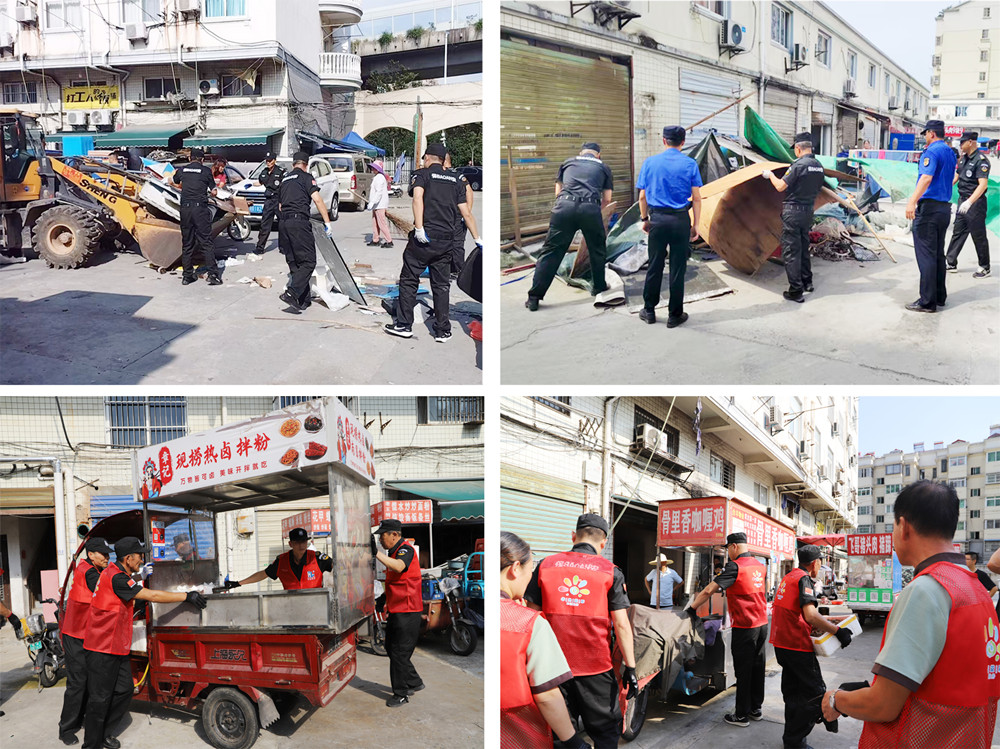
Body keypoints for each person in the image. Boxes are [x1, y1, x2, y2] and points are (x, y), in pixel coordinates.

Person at [821, 481, 1000, 748]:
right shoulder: (978, 591)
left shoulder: (926, 591)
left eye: (893, 525)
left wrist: (835, 700)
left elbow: (883, 705)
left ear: (903, 527)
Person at [523, 513, 638, 749]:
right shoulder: (611, 571)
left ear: (574, 536)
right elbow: (622, 625)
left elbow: (530, 616)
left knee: (561, 734)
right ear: (603, 543)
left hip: (551, 668)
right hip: (596, 668)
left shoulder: (545, 565)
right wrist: (631, 666)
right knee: (606, 732)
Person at [82, 537, 206, 749]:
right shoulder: (117, 577)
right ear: (128, 558)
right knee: (100, 699)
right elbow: (153, 595)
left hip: (115, 645)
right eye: (139, 556)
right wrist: (186, 596)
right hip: (101, 647)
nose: (142, 559)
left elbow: (135, 598)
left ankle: (104, 733)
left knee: (125, 690)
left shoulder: (118, 575)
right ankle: (92, 744)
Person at [499, 531, 589, 749]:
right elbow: (547, 695)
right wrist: (573, 741)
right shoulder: (529, 623)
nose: (530, 578)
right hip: (522, 738)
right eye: (530, 570)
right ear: (515, 569)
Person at [384, 143, 481, 342]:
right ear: (443, 159)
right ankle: (443, 330)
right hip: (446, 240)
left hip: (424, 239)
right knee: (441, 285)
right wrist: (478, 238)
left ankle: (404, 325)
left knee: (409, 279)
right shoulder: (456, 179)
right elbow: (466, 212)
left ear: (428, 158)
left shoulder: (422, 175)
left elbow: (417, 199)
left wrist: (419, 228)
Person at [770, 544, 853, 749]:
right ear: (816, 563)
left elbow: (797, 614)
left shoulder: (788, 577)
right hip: (796, 646)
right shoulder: (803, 579)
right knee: (816, 693)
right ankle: (797, 739)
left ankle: (791, 739)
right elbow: (810, 615)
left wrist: (815, 626)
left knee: (793, 693)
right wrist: (837, 631)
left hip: (782, 645)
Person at [687, 532, 768, 727]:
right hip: (762, 624)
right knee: (758, 668)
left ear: (733, 547)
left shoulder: (735, 566)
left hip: (745, 627)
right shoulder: (760, 566)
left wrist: (691, 609)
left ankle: (741, 715)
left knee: (743, 670)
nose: (728, 553)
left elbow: (708, 590)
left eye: (727, 549)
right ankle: (755, 709)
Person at [525, 142, 613, 312]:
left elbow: (558, 192)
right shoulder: (604, 167)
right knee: (597, 250)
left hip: (564, 207)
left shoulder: (568, 162)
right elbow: (608, 199)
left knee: (551, 251)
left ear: (581, 153)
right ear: (598, 155)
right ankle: (599, 287)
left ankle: (534, 298)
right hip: (590, 208)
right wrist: (593, 211)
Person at [636, 125, 703, 327]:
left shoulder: (650, 163)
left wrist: (645, 219)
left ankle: (649, 311)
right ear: (683, 142)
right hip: (680, 220)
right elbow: (697, 199)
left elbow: (642, 196)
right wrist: (696, 225)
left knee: (654, 265)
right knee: (677, 267)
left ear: (664, 141)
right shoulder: (690, 164)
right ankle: (675, 315)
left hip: (657, 220)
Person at [58, 537, 112, 745]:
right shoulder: (86, 570)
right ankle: (66, 728)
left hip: (89, 636)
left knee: (91, 682)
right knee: (77, 683)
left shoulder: (97, 569)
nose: (107, 557)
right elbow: (102, 587)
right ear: (90, 555)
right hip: (74, 636)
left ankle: (83, 719)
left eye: (108, 554)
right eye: (103, 554)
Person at [762, 132, 826, 303]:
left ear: (798, 149)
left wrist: (770, 176)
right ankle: (808, 282)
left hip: (793, 212)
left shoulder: (797, 165)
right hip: (808, 212)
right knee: (804, 246)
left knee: (791, 250)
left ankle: (795, 291)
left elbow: (780, 187)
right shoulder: (819, 166)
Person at [904, 120, 957, 313]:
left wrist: (912, 201)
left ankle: (927, 302)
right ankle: (939, 296)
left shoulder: (932, 152)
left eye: (926, 133)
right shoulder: (950, 152)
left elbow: (926, 177)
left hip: (929, 209)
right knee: (937, 254)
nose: (925, 136)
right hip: (944, 208)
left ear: (932, 133)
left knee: (926, 255)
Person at [371, 518, 424, 707]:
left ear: (394, 535)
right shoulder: (393, 552)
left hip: (408, 611)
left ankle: (401, 693)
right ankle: (414, 682)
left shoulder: (405, 550)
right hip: (397, 609)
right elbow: (397, 581)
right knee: (391, 648)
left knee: (400, 654)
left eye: (382, 536)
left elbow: (400, 567)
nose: (380, 540)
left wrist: (376, 553)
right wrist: (382, 600)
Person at [275, 151, 334, 312]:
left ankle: (303, 300)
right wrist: (327, 222)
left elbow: (280, 206)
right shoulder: (306, 177)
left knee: (295, 262)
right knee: (308, 262)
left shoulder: (285, 179)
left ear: (294, 163)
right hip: (298, 222)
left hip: (284, 223)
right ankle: (292, 293)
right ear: (306, 165)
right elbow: (317, 199)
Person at [170, 147, 222, 286]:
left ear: (189, 158)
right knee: (206, 242)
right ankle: (213, 275)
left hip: (185, 210)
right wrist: (211, 193)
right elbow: (215, 191)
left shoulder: (182, 170)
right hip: (200, 210)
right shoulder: (205, 171)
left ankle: (187, 276)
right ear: (202, 160)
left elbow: (175, 180)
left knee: (187, 243)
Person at [225, 527, 332, 590]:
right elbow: (263, 574)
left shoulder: (317, 558)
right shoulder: (282, 561)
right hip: (291, 608)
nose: (302, 545)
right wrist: (238, 583)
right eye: (298, 542)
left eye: (304, 541)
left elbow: (338, 568)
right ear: (290, 544)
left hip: (317, 607)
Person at [946, 131, 991, 278]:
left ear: (971, 142)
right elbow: (957, 177)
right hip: (962, 200)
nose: (960, 145)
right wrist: (945, 189)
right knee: (958, 231)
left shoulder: (981, 161)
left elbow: (982, 185)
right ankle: (951, 262)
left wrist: (970, 202)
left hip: (975, 203)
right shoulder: (962, 159)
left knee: (978, 235)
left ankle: (985, 267)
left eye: (962, 143)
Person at [444, 151, 474, 275]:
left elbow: (469, 192)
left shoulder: (456, 175)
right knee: (447, 243)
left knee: (457, 244)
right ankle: (449, 269)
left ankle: (458, 270)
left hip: (457, 215)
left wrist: (466, 212)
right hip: (446, 215)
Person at [255, 152, 285, 253]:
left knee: (282, 224)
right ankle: (260, 247)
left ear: (274, 160)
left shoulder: (280, 171)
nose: (268, 163)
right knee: (264, 224)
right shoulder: (264, 172)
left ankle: (284, 247)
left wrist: (282, 202)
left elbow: (284, 187)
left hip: (278, 200)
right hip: (268, 201)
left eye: (270, 161)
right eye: (267, 161)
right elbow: (260, 182)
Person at [367, 161, 393, 249]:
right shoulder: (377, 177)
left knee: (381, 223)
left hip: (380, 204)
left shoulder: (380, 178)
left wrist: (372, 202)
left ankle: (389, 240)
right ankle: (375, 239)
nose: (372, 169)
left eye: (374, 168)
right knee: (375, 222)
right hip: (376, 205)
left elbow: (379, 192)